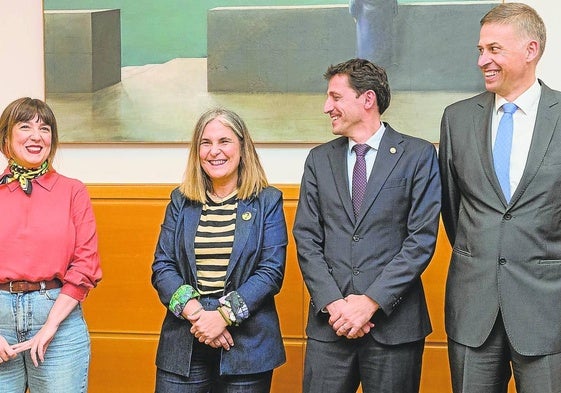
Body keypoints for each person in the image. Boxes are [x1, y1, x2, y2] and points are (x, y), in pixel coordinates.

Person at [293, 58, 441, 393]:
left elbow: (421, 241)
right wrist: (336, 304)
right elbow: (306, 238)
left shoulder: (417, 155)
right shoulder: (319, 160)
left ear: (367, 99)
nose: (326, 107)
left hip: (394, 328)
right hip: (330, 326)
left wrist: (369, 302)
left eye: (336, 97)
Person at [439, 3, 561, 392]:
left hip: (547, 313)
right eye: (480, 50)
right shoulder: (456, 119)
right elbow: (452, 208)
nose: (482, 61)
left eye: (494, 49)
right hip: (473, 311)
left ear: (531, 50)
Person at [151, 108, 288, 393]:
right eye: (206, 142)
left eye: (224, 141)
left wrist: (222, 317)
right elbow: (163, 266)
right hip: (185, 340)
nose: (215, 151)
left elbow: (270, 272)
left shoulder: (267, 201)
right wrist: (199, 316)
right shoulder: (180, 201)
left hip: (248, 348)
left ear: (242, 147)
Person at [0, 97, 102, 392]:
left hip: (58, 319)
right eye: (25, 126)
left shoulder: (73, 191)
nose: (36, 136)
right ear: (6, 136)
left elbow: (85, 264)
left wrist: (51, 326)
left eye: (45, 129)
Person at [349, 0, 397, 69]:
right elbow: (393, 5)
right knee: (384, 41)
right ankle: (385, 64)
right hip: (385, 12)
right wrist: (393, 12)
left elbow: (353, 4)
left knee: (365, 42)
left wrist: (353, 13)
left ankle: (365, 65)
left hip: (365, 14)